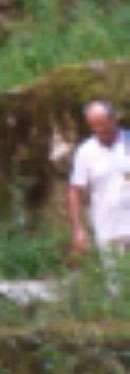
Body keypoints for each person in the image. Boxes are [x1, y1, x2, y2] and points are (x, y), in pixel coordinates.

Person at [67, 99, 130, 258]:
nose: (99, 129)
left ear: (114, 119)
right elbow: (75, 191)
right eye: (93, 125)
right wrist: (77, 230)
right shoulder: (85, 151)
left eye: (102, 124)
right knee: (116, 281)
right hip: (107, 230)